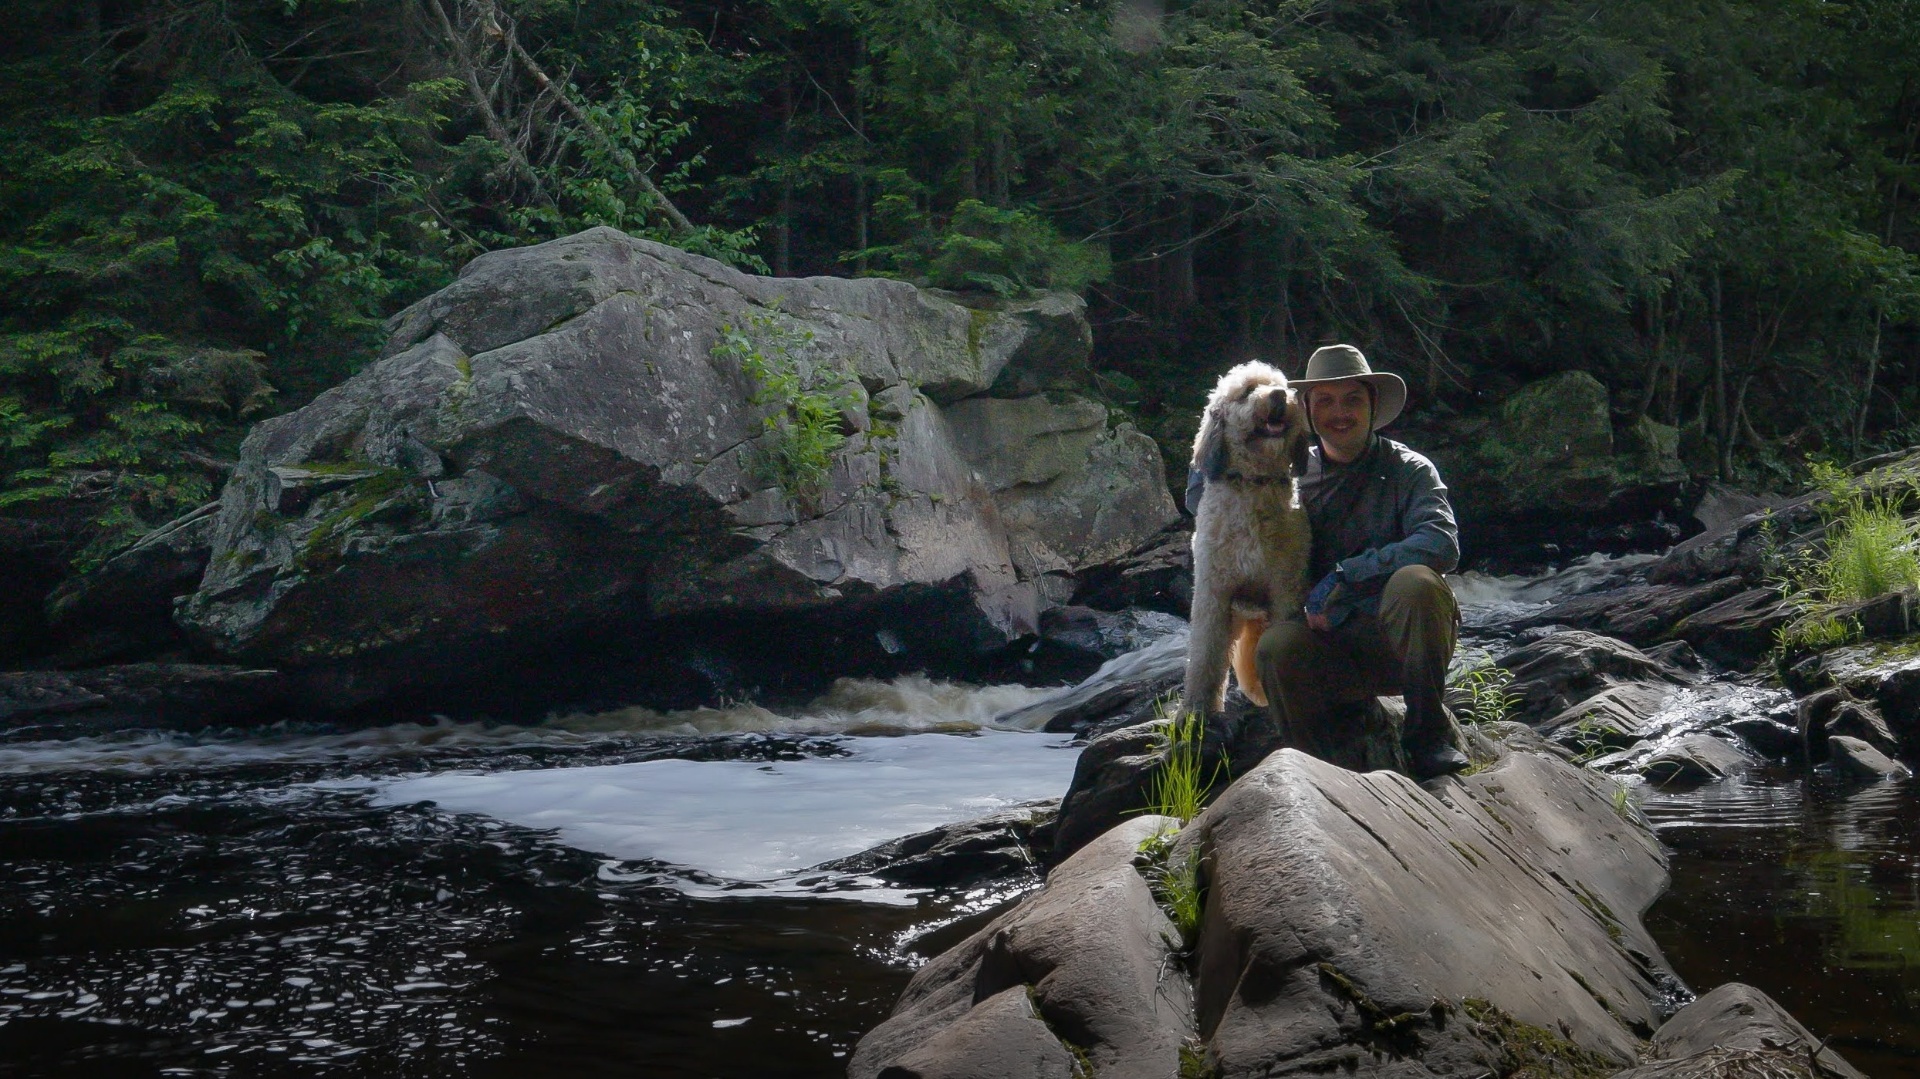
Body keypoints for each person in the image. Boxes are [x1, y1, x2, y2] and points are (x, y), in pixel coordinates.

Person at [1184, 343, 1467, 779]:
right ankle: (1316, 767)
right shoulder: (1285, 473)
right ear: (1310, 412)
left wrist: (1346, 575)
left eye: (1353, 399)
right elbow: (1209, 491)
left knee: (1417, 583)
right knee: (1276, 645)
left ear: (1373, 407)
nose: (1341, 413)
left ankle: (1428, 735)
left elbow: (1441, 543)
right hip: (1327, 651)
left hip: (1397, 647)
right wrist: (1212, 447)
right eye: (1326, 401)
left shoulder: (1411, 470)